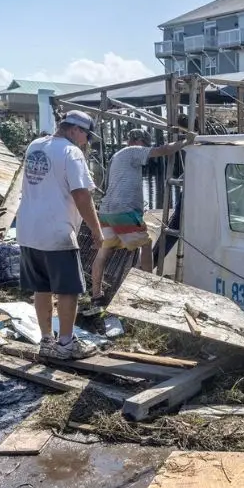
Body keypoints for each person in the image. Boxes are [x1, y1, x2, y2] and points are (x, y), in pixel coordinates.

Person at [16, 110, 103, 360]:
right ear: (75, 130)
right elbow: (82, 194)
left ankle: (46, 341)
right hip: (56, 231)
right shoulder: (71, 152)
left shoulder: (36, 145)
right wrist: (96, 230)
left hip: (28, 229)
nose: (86, 140)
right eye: (86, 134)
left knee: (41, 287)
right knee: (68, 290)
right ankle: (66, 344)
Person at [89, 128, 185, 311]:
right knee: (146, 244)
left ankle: (97, 295)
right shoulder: (131, 151)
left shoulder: (116, 156)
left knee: (103, 253)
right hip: (124, 210)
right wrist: (184, 143)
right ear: (137, 141)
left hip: (107, 211)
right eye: (144, 145)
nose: (146, 149)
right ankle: (147, 287)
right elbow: (162, 150)